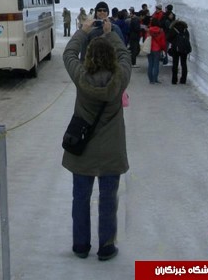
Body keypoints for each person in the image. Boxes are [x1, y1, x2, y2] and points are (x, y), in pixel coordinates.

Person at [62, 16, 131, 261]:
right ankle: (106, 247)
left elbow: (69, 53)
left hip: (83, 150)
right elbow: (125, 56)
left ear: (88, 56)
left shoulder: (81, 77)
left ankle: (81, 245)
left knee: (80, 198)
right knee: (108, 200)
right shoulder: (120, 76)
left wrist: (82, 31)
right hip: (111, 151)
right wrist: (111, 33)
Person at [167, 19, 192, 84]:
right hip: (184, 49)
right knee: (183, 64)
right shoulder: (185, 30)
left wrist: (174, 42)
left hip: (175, 49)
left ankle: (174, 80)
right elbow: (187, 38)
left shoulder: (173, 29)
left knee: (175, 64)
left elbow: (168, 38)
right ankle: (183, 80)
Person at [146, 17, 166, 83]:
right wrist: (163, 49)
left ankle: (150, 79)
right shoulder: (161, 31)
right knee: (156, 64)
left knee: (150, 64)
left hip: (149, 48)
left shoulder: (149, 30)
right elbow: (163, 42)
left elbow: (146, 39)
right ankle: (155, 79)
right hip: (157, 49)